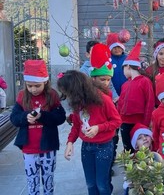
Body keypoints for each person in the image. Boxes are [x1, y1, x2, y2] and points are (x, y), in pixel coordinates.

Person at [58, 70, 121, 195]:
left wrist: (99, 128)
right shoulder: (78, 102)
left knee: (102, 184)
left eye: (69, 93)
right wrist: (70, 142)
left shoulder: (103, 100)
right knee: (90, 184)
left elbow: (117, 121)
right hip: (86, 147)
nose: (68, 97)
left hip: (104, 146)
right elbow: (76, 125)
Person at [10, 59, 66, 195]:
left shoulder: (52, 95)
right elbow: (14, 118)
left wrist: (43, 116)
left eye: (37, 85)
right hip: (29, 148)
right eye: (29, 86)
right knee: (32, 180)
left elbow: (60, 117)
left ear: (45, 82)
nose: (33, 89)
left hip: (48, 147)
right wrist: (25, 117)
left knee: (48, 179)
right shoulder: (22, 96)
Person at [118, 41, 155, 153]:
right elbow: (120, 103)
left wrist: (145, 122)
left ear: (128, 66)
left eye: (123, 69)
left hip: (139, 122)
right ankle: (130, 169)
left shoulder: (145, 81)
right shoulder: (125, 84)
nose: (123, 72)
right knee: (128, 148)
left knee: (141, 149)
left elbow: (150, 102)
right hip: (124, 123)